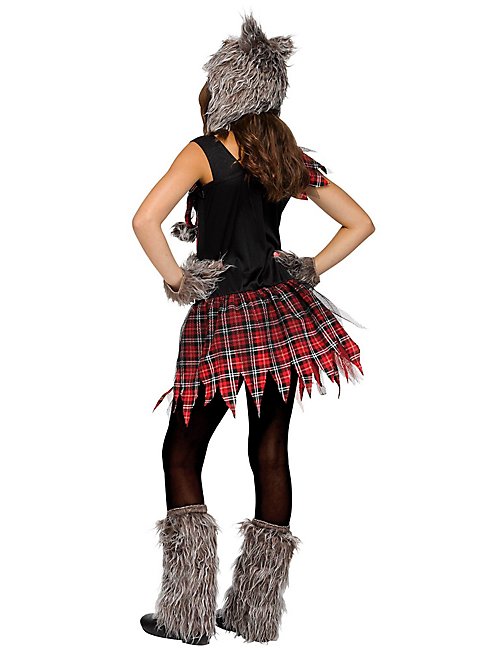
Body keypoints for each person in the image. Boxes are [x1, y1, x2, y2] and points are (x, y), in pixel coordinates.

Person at [132, 12, 375, 646]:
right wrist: (308, 268)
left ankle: (186, 614)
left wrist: (181, 280)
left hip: (221, 320)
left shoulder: (205, 151)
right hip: (280, 317)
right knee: (270, 450)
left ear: (228, 86)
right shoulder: (283, 154)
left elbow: (145, 220)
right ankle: (254, 613)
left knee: (181, 452)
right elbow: (359, 222)